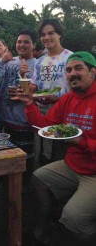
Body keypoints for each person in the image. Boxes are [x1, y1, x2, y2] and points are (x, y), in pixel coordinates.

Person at [12, 51, 96, 246]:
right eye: (68, 70)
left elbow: (81, 141)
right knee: (39, 178)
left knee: (74, 218)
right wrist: (30, 104)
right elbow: (44, 126)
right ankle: (43, 229)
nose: (72, 74)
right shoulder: (68, 99)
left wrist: (81, 143)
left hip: (93, 173)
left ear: (93, 72)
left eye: (78, 68)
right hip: (73, 166)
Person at [0, 29, 37, 171]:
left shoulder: (38, 64)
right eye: (19, 41)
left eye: (26, 42)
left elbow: (40, 90)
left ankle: (24, 189)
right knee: (7, 158)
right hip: (6, 119)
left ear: (34, 45)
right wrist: (1, 61)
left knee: (24, 159)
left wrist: (25, 85)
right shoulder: (9, 62)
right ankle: (8, 187)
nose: (22, 45)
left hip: (24, 121)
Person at [30, 19, 73, 165]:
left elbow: (78, 90)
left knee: (59, 152)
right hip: (41, 111)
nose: (46, 37)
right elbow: (34, 85)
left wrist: (57, 99)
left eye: (51, 33)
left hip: (63, 112)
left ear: (59, 34)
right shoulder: (40, 61)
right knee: (40, 151)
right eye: (43, 34)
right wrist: (26, 91)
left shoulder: (70, 57)